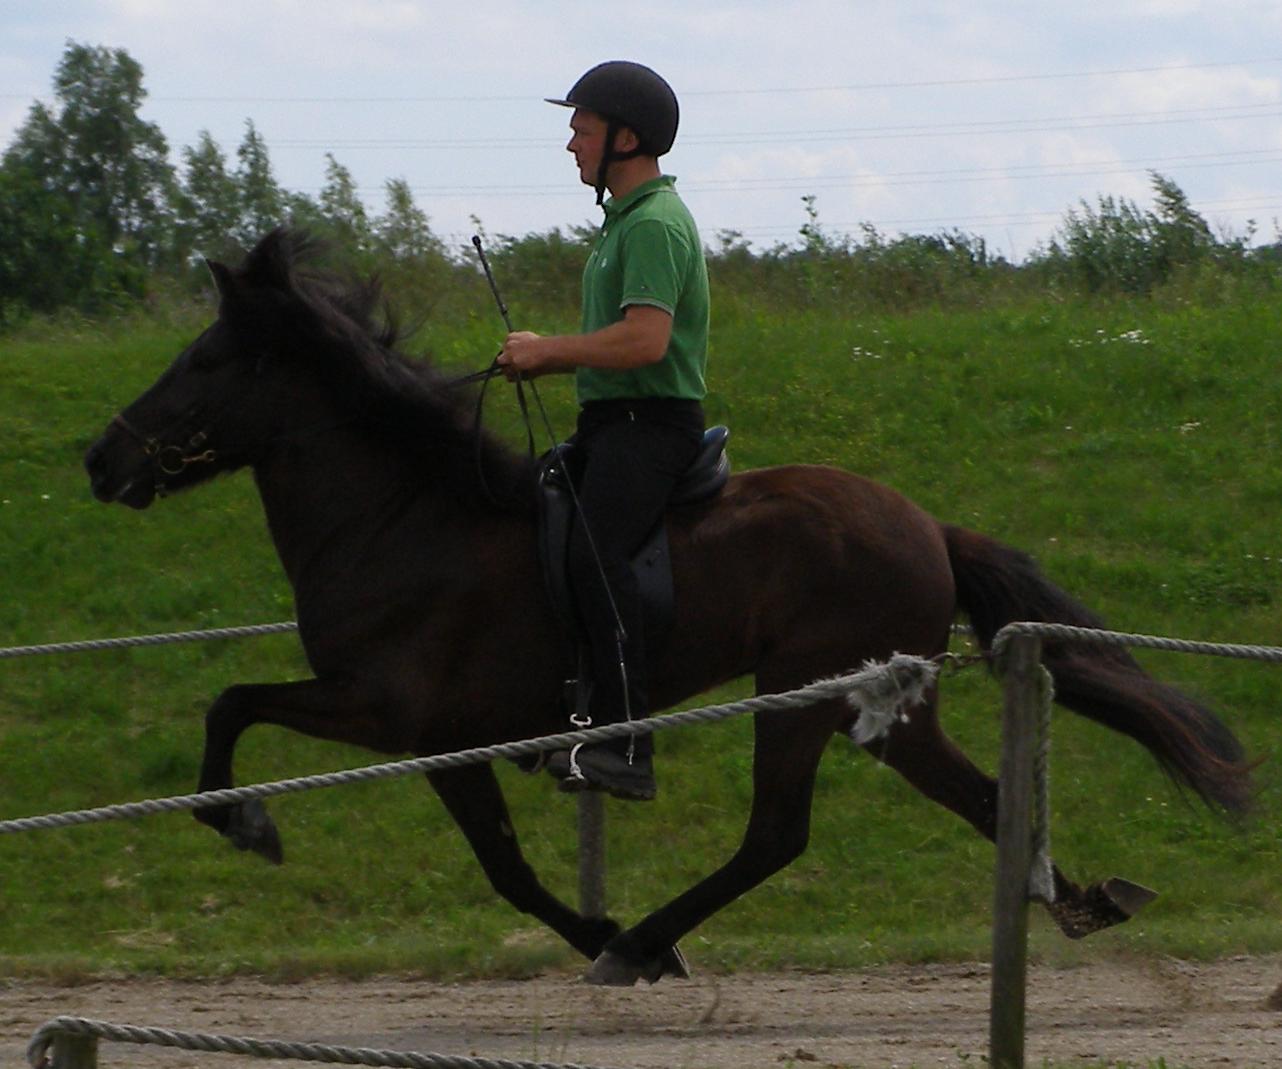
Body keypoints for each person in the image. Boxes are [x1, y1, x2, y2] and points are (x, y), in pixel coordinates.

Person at [497, 60, 710, 801]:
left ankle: (626, 744)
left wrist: (547, 352)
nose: (571, 145)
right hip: (608, 421)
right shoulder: (621, 224)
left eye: (581, 129)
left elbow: (646, 342)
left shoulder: (653, 224)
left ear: (626, 138)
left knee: (597, 555)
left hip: (649, 426)